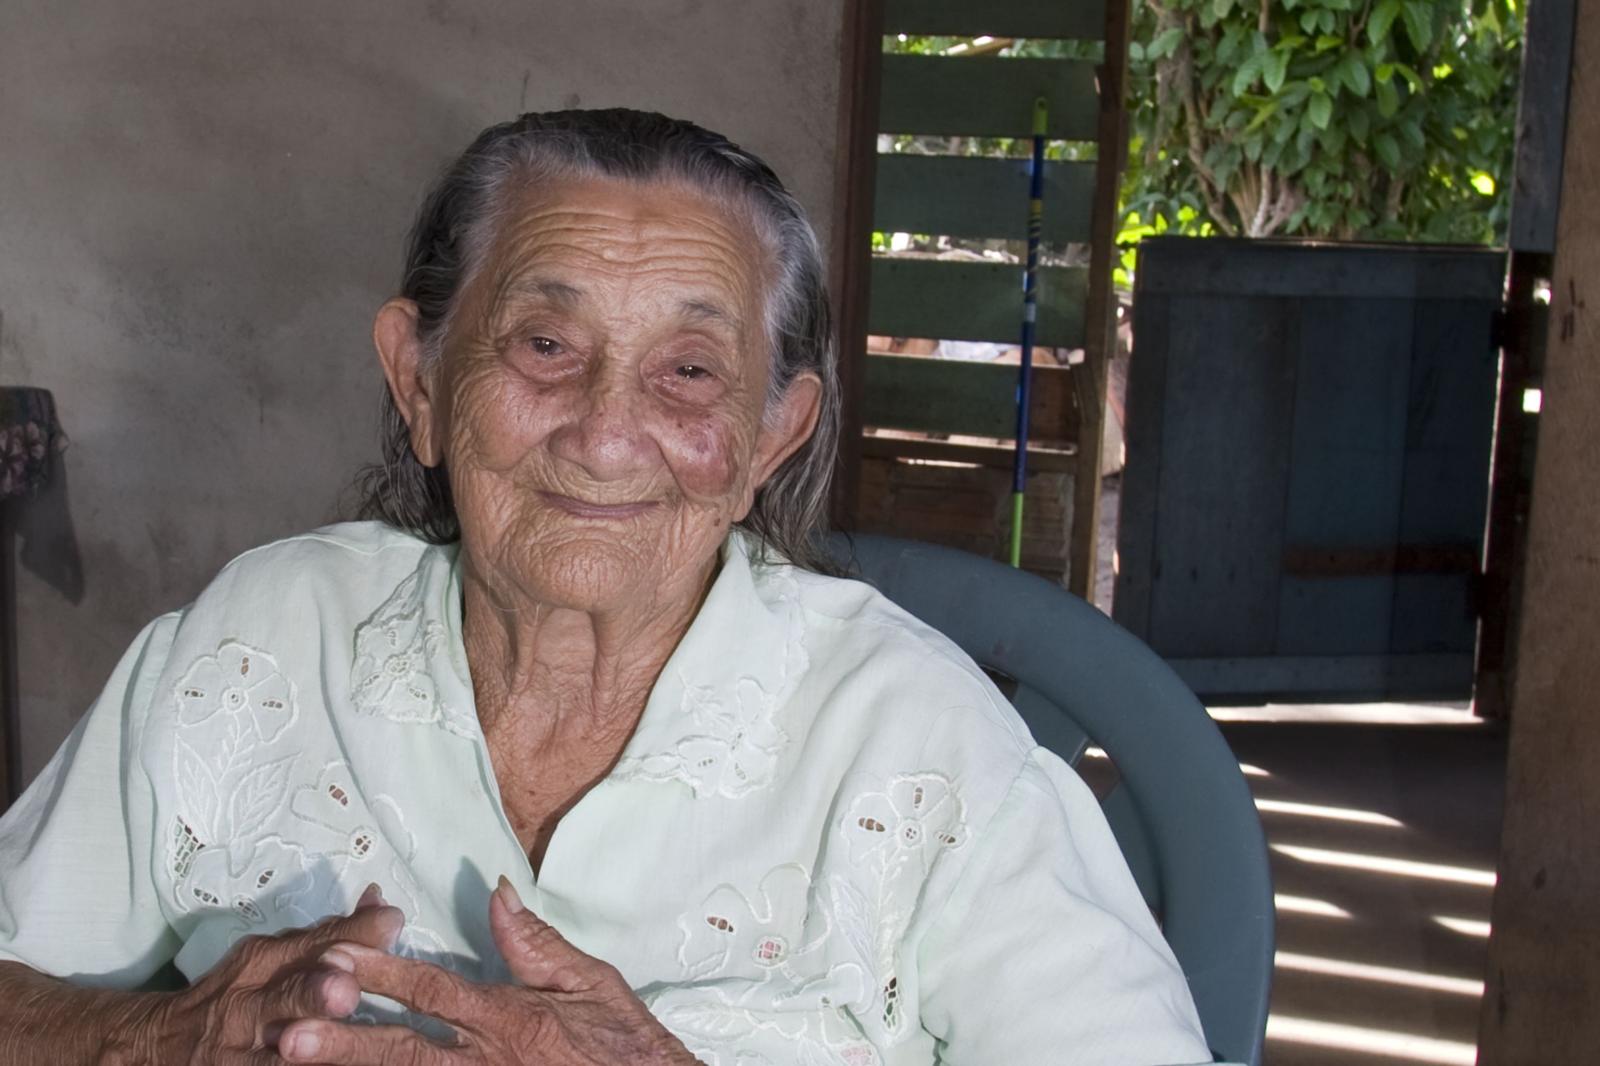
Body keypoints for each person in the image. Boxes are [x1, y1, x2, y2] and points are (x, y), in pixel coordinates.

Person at [0, 109, 1223, 1065]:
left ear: (770, 439)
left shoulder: (923, 752)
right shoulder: (257, 644)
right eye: (545, 345)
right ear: (420, 381)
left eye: (688, 370)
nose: (604, 432)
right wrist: (153, 1036)